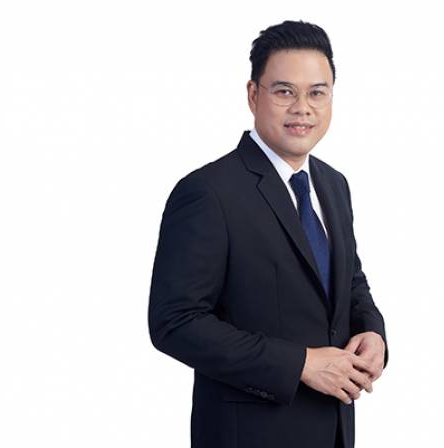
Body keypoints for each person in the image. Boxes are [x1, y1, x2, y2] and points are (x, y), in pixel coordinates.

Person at [148, 20, 388, 448]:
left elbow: (349, 281)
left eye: (317, 93)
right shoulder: (208, 193)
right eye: (284, 91)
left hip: (334, 432)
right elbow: (175, 322)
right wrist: (300, 364)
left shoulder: (334, 185)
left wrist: (372, 331)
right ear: (253, 95)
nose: (303, 108)